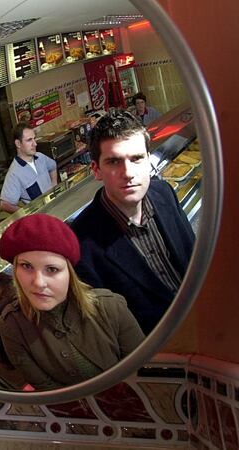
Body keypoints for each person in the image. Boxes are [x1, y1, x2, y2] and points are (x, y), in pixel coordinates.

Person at [71, 110, 195, 335]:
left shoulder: (164, 192)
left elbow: (193, 254)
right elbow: (111, 328)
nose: (127, 173)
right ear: (96, 170)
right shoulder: (82, 241)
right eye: (113, 161)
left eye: (137, 158)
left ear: (149, 159)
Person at [0, 214, 145, 391]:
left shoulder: (110, 307)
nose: (38, 283)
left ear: (70, 273)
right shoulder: (11, 326)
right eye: (26, 266)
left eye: (52, 269)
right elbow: (47, 390)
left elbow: (141, 369)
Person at [0, 123, 58, 213]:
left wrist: (54, 184)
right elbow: (5, 204)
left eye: (34, 139)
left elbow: (53, 166)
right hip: (42, 216)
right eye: (29, 140)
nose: (35, 144)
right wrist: (28, 214)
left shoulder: (40, 157)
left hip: (55, 206)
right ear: (18, 143)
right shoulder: (14, 173)